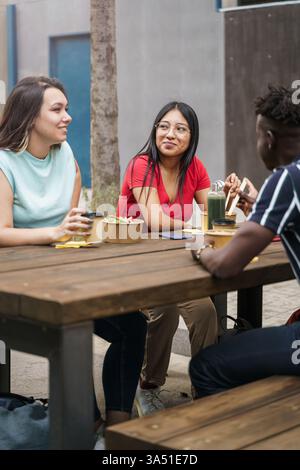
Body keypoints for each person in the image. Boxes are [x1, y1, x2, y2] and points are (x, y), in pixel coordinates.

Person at [0, 76, 147, 449]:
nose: (68, 117)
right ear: (30, 116)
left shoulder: (64, 154)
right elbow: (1, 231)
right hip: (19, 287)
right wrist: (53, 233)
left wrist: (86, 227)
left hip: (65, 276)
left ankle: (116, 426)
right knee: (71, 332)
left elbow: (72, 219)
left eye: (66, 108)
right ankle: (85, 423)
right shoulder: (4, 163)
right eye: (57, 109)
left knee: (133, 326)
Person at [189, 85, 300, 398]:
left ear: (268, 138)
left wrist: (201, 249)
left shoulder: (288, 179)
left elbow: (226, 265)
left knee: (205, 365)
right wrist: (260, 206)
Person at [119, 101, 219, 415]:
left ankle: (206, 385)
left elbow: (214, 216)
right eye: (164, 126)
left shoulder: (195, 167)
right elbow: (154, 218)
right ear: (155, 130)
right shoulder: (141, 164)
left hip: (176, 262)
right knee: (164, 309)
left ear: (192, 136)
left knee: (204, 311)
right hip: (136, 258)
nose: (170, 134)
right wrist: (195, 225)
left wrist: (227, 197)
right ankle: (148, 387)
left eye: (180, 128)